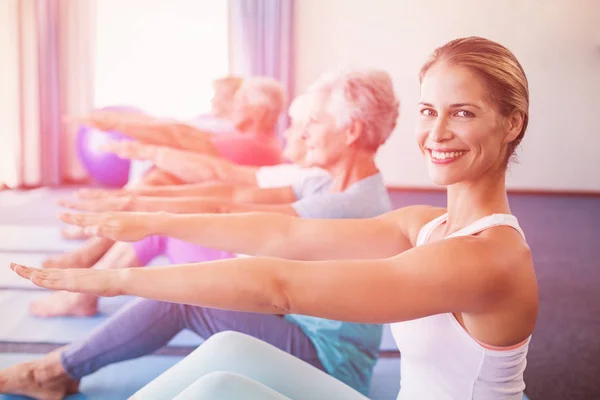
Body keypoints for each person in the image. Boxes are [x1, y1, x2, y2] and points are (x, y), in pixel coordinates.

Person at [0, 68, 401, 400]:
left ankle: (55, 371)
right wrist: (144, 201)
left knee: (186, 299)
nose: (302, 133)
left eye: (314, 123)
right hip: (304, 328)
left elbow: (244, 216)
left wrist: (151, 215)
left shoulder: (345, 205)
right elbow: (235, 191)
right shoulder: (331, 183)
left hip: (329, 363)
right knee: (189, 288)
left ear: (350, 132)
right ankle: (59, 365)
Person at [45, 76, 287, 268]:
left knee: (156, 194)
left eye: (241, 99)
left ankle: (90, 259)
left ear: (260, 111)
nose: (234, 104)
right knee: (160, 178)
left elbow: (183, 137)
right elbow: (184, 135)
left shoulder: (256, 145)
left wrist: (118, 124)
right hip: (222, 202)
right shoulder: (249, 137)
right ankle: (91, 252)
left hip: (230, 220)